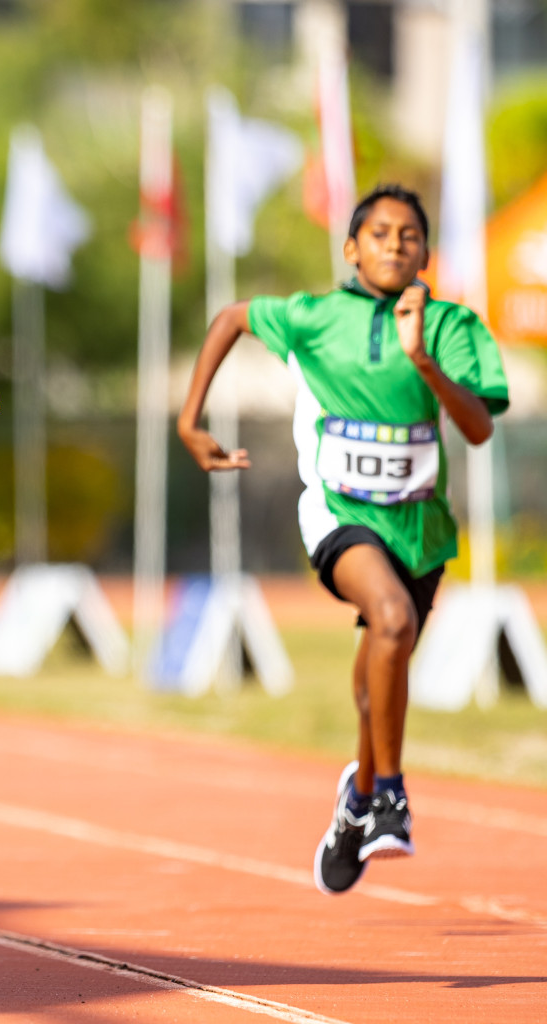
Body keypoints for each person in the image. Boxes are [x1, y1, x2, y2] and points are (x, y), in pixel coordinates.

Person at [178, 184, 508, 895]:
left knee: (376, 674)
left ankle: (355, 804)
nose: (395, 244)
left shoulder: (451, 326)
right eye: (380, 233)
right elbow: (233, 318)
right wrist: (190, 419)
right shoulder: (316, 316)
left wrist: (424, 361)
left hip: (420, 528)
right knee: (389, 620)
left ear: (425, 251)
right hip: (338, 515)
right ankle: (389, 794)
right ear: (352, 248)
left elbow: (479, 428)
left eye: (410, 235)